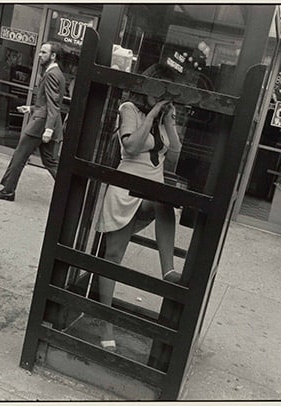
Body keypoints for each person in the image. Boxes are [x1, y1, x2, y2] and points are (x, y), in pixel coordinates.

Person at [95, 64, 182, 349]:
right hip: (125, 190)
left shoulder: (163, 117)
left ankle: (168, 270)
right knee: (113, 257)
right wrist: (153, 113)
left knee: (164, 203)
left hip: (150, 191)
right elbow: (131, 147)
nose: (162, 97)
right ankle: (104, 323)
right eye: (160, 90)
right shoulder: (129, 109)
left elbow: (176, 151)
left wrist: (168, 119)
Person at [0, 42, 66, 202]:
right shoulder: (58, 73)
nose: (39, 55)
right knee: (51, 161)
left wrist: (48, 129)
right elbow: (48, 103)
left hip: (41, 124)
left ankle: (8, 191)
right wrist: (31, 108)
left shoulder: (51, 74)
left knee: (20, 155)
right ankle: (70, 192)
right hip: (45, 121)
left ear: (53, 56)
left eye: (44, 53)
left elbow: (53, 104)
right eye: (40, 52)